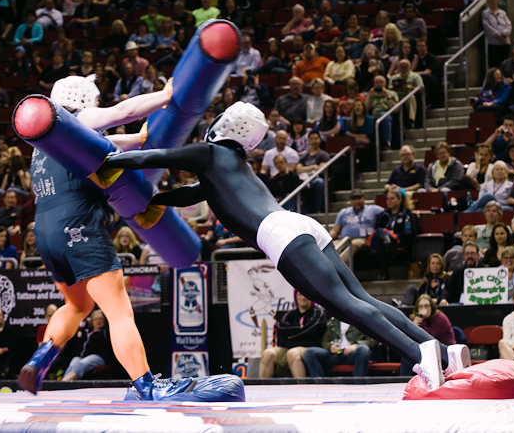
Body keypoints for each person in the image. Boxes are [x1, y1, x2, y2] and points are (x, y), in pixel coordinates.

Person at [106, 103, 472, 389]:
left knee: (346, 306)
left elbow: (155, 156)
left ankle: (420, 358)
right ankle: (444, 351)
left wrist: (105, 162)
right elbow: (190, 194)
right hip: (300, 223)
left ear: (224, 126)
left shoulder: (207, 153)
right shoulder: (231, 164)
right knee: (364, 299)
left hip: (279, 232)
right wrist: (158, 201)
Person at [18, 76, 198, 401]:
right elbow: (123, 111)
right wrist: (166, 95)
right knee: (118, 310)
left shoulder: (43, 144)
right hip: (79, 227)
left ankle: (39, 358)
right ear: (83, 98)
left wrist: (142, 137)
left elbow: (110, 147)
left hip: (44, 232)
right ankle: (147, 385)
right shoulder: (77, 119)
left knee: (77, 304)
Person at [260, 291, 326, 378]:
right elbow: (281, 329)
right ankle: (264, 389)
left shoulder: (318, 313)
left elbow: (311, 332)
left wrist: (291, 336)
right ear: (296, 297)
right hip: (288, 349)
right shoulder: (290, 315)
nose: (303, 297)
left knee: (292, 353)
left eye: (306, 295)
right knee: (267, 353)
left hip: (309, 349)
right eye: (300, 294)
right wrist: (300, 329)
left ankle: (300, 389)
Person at [399, 295, 456, 376]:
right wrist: (413, 325)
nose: (423, 309)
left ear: (431, 307)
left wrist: (416, 327)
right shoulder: (415, 320)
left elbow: (428, 339)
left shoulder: (440, 318)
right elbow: (406, 341)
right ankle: (405, 382)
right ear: (417, 309)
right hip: (428, 354)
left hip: (445, 354)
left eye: (426, 306)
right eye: (420, 306)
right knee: (407, 356)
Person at [303, 314, 376, 378]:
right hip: (336, 354)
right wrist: (331, 346)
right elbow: (325, 342)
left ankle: (358, 382)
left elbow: (372, 340)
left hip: (353, 354)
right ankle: (320, 385)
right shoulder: (332, 321)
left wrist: (356, 345)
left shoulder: (361, 320)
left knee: (363, 349)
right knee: (310, 352)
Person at [372, 188, 418, 280]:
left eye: (392, 198)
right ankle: (387, 243)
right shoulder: (384, 214)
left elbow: (410, 232)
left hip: (400, 240)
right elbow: (377, 229)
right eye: (387, 199)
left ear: (399, 200)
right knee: (380, 236)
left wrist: (393, 235)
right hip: (385, 243)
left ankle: (383, 273)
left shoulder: (406, 213)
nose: (389, 201)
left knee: (382, 240)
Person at [63, 310, 113, 381]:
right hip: (82, 356)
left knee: (81, 364)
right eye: (96, 319)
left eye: (100, 319)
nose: (98, 321)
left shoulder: (105, 332)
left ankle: (64, 383)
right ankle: (65, 384)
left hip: (98, 356)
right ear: (92, 321)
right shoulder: (86, 332)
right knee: (73, 362)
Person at [296, 132, 330, 214]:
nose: (314, 141)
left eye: (316, 138)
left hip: (316, 178)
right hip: (305, 179)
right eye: (311, 139)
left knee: (319, 182)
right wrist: (313, 167)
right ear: (308, 140)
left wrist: (306, 169)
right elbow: (298, 169)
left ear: (320, 140)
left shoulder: (324, 155)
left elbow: (321, 169)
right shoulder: (304, 156)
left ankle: (317, 209)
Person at [482, 0, 512, 69]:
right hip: (494, 43)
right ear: (488, 2)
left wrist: (504, 34)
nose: (493, 2)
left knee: (505, 64)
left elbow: (508, 25)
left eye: (494, 0)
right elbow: (487, 27)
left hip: (505, 42)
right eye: (491, 0)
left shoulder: (502, 13)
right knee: (495, 65)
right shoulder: (485, 14)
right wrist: (498, 35)